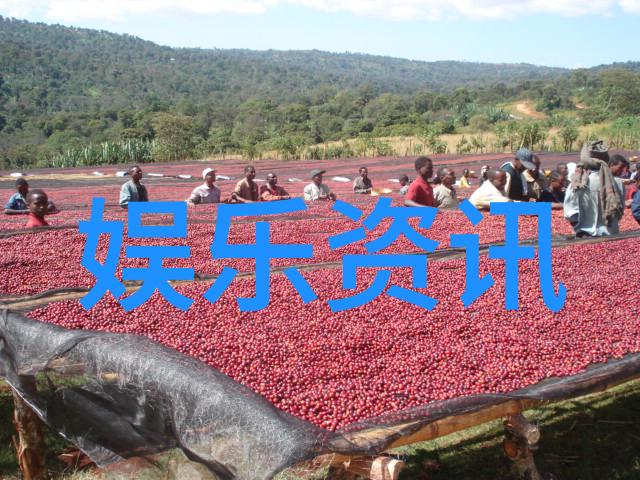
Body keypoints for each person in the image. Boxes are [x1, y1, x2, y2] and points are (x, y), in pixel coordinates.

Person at [564, 141, 624, 237]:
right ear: (607, 161)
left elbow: (570, 213)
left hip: (586, 235)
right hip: (611, 235)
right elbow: (619, 212)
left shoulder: (577, 184)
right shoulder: (618, 183)